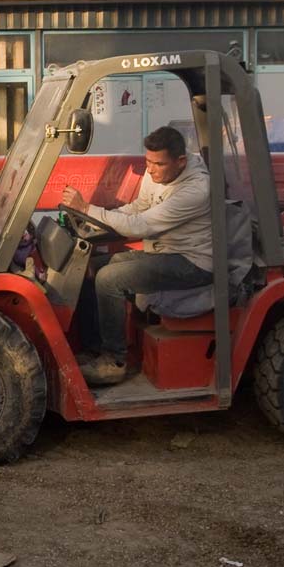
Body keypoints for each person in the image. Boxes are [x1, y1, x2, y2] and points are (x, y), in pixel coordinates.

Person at [60, 126, 213, 386]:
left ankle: (114, 361)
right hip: (163, 252)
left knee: (110, 279)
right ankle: (94, 347)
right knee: (89, 268)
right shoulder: (158, 173)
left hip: (192, 262)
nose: (151, 170)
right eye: (148, 162)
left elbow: (141, 226)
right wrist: (101, 220)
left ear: (181, 161)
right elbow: (138, 207)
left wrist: (87, 208)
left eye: (158, 164)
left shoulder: (196, 190)